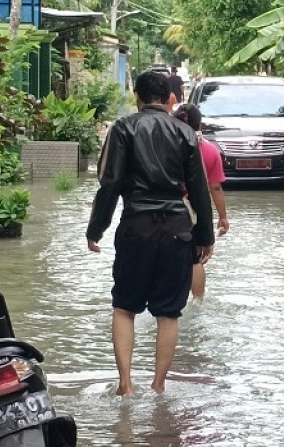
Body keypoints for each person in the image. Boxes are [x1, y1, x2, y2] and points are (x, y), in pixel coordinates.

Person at [86, 70, 214, 396]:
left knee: (124, 307)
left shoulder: (124, 128)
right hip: (176, 229)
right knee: (169, 313)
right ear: (169, 98)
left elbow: (110, 183)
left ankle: (125, 383)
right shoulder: (186, 133)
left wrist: (96, 228)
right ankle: (158, 386)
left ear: (137, 97)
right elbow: (199, 189)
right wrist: (205, 237)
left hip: (137, 225)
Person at [172, 103, 229, 300]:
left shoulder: (165, 147)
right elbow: (215, 187)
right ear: (200, 125)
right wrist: (223, 218)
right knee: (195, 259)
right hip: (196, 211)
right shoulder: (210, 151)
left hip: (168, 209)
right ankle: (198, 301)